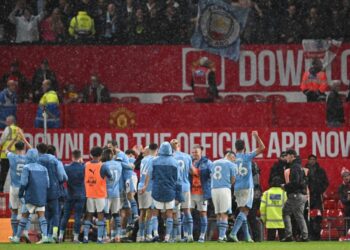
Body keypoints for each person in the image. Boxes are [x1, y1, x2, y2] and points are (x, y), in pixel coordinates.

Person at [140, 142, 182, 243]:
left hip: (157, 190)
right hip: (170, 190)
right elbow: (178, 179)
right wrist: (179, 195)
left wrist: (145, 186)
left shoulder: (154, 161)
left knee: (155, 213)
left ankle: (156, 234)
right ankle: (167, 237)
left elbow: (149, 175)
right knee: (169, 213)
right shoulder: (175, 162)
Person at [229, 131, 265, 243]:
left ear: (235, 148)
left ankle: (248, 237)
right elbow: (262, 147)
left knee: (242, 212)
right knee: (245, 211)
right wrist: (256, 136)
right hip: (247, 187)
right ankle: (233, 233)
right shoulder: (247, 156)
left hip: (237, 187)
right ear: (244, 147)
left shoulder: (233, 159)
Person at [10, 149, 50, 244]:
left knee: (24, 217)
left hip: (30, 195)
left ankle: (17, 237)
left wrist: (21, 193)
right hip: (40, 195)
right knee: (42, 216)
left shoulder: (26, 167)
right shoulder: (44, 168)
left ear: (28, 156)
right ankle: (45, 236)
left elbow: (24, 183)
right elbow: (48, 184)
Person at [37, 143, 67, 242]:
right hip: (54, 190)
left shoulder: (37, 161)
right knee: (55, 213)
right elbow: (63, 176)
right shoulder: (55, 161)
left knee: (43, 214)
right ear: (54, 152)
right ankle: (53, 234)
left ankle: (44, 236)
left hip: (42, 190)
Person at [6, 131, 31, 241]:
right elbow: (34, 151)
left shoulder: (12, 157)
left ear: (15, 149)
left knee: (14, 211)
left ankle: (15, 234)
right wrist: (24, 140)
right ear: (24, 148)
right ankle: (25, 232)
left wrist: (14, 140)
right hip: (24, 188)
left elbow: (5, 149)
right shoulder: (27, 158)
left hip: (14, 188)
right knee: (26, 211)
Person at [83, 146, 111, 243]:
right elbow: (110, 176)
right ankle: (99, 238)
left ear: (91, 155)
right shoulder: (102, 166)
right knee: (100, 214)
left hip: (89, 193)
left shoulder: (86, 165)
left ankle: (85, 237)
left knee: (89, 214)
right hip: (100, 193)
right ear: (101, 155)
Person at [280, 148, 309, 242]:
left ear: (292, 156)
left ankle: (290, 235)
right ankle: (304, 236)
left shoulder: (295, 167)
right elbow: (305, 181)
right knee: (299, 215)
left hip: (295, 195)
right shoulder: (300, 166)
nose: (285, 157)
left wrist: (285, 186)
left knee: (286, 212)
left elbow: (295, 182)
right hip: (302, 195)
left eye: (287, 155)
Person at [58, 149, 86, 243]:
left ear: (72, 156)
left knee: (65, 216)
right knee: (78, 216)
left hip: (69, 194)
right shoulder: (83, 167)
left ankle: (60, 236)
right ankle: (75, 238)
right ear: (80, 157)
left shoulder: (66, 167)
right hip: (81, 194)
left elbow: (61, 179)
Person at [170, 139, 193, 242]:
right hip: (186, 185)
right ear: (179, 145)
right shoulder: (187, 156)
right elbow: (190, 171)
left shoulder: (170, 157)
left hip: (175, 187)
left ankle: (178, 236)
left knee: (176, 212)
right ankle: (190, 235)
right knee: (187, 210)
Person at [211, 151, 237, 242]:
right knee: (224, 213)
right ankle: (221, 237)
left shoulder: (214, 162)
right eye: (234, 158)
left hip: (214, 189)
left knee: (218, 213)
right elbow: (233, 180)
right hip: (224, 189)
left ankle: (223, 235)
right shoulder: (231, 165)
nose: (235, 160)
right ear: (231, 156)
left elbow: (211, 175)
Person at [190, 144, 212, 243]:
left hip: (202, 192)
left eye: (196, 152)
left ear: (201, 152)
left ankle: (202, 236)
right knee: (187, 212)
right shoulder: (189, 162)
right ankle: (188, 235)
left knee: (203, 213)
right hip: (190, 192)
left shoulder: (207, 163)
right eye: (193, 152)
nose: (194, 154)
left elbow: (213, 175)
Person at [305, 154, 329, 240]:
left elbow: (326, 182)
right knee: (307, 216)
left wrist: (320, 190)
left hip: (318, 197)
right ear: (308, 160)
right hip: (307, 196)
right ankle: (308, 234)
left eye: (313, 159)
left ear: (316, 160)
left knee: (318, 216)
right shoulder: (304, 171)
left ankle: (317, 235)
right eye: (310, 159)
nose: (312, 161)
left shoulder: (320, 171)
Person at [137, 143, 157, 242]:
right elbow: (149, 173)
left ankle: (140, 235)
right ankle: (148, 234)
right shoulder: (154, 160)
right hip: (148, 187)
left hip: (140, 185)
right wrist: (146, 185)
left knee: (142, 211)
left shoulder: (143, 159)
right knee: (150, 211)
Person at [102, 148, 123, 242]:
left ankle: (106, 235)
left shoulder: (104, 165)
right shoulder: (119, 164)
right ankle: (118, 235)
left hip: (106, 193)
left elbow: (101, 178)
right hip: (116, 192)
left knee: (106, 215)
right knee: (116, 214)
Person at [260, 176, 287, 241]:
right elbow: (287, 207)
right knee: (283, 241)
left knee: (270, 241)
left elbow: (262, 208)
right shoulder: (284, 193)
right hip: (282, 221)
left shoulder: (266, 193)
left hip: (270, 222)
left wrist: (263, 219)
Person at [0, 115, 21, 192]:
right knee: (15, 172)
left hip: (6, 155)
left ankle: (1, 189)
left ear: (10, 121)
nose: (5, 122)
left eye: (6, 121)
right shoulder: (19, 129)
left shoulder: (8, 129)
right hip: (16, 156)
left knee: (4, 173)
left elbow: (2, 141)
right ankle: (15, 189)